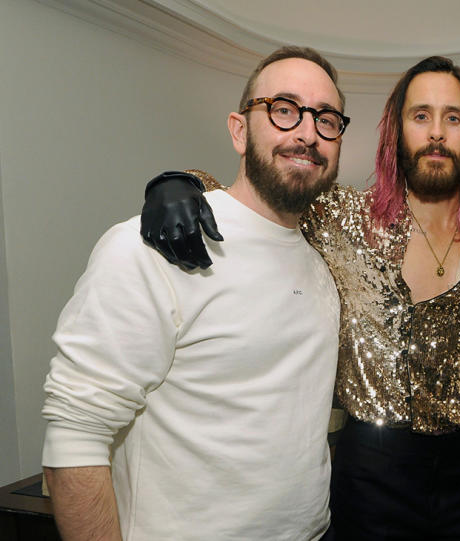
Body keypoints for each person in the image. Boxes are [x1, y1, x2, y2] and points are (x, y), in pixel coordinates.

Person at [137, 56, 460, 540]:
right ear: (396, 131)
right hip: (370, 474)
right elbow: (251, 192)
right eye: (420, 116)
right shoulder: (341, 214)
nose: (437, 133)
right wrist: (175, 183)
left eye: (454, 117)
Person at [41, 46, 344, 541]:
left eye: (326, 118)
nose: (308, 133)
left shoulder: (320, 262)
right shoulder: (153, 249)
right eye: (284, 110)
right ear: (239, 130)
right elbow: (75, 437)